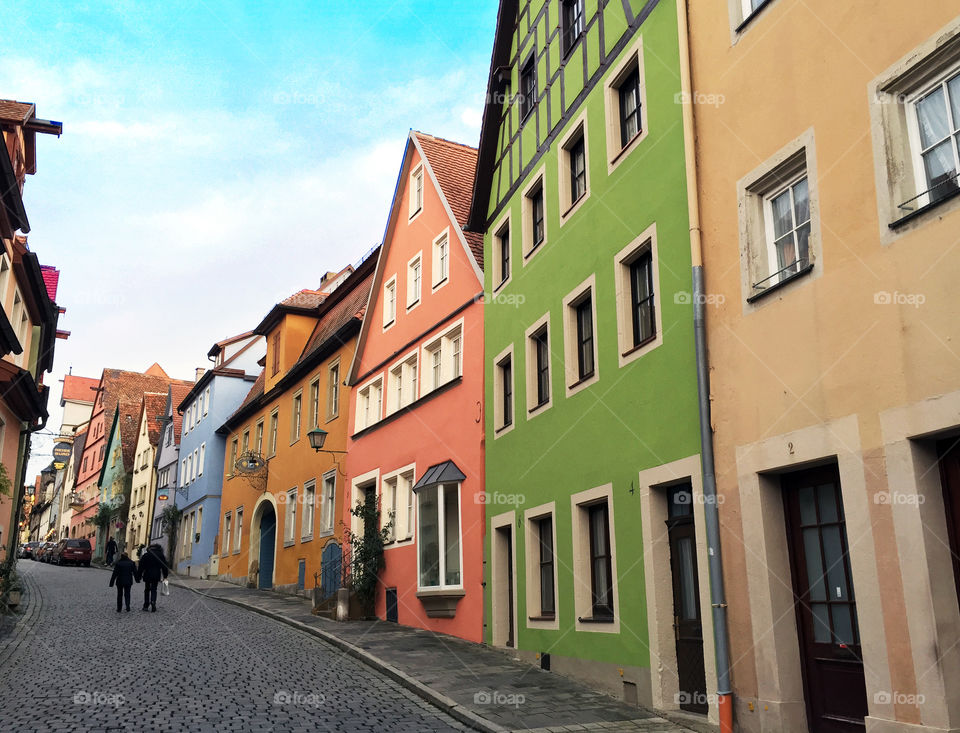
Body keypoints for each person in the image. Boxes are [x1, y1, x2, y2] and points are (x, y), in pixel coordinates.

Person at [137, 543, 169, 612]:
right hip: (156, 574)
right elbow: (164, 567)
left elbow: (141, 566)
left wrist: (139, 576)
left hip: (147, 574)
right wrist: (165, 576)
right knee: (154, 589)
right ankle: (153, 601)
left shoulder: (146, 555)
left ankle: (146, 605)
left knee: (147, 589)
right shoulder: (161, 555)